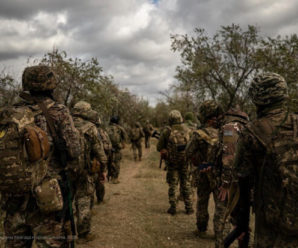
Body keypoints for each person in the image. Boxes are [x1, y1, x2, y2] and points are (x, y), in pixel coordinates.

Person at [0, 65, 80, 248]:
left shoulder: (9, 113)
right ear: (51, 84)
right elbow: (74, 150)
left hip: (14, 194)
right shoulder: (59, 111)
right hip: (47, 194)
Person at [232, 72, 298, 248]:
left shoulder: (252, 132)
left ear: (258, 98)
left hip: (271, 221)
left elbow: (243, 181)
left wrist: (241, 224)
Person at [186, 100, 225, 247]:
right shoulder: (225, 132)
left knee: (202, 201)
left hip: (202, 172)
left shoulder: (198, 134)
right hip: (219, 174)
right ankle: (219, 233)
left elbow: (188, 152)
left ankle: (201, 229)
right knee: (220, 204)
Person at [71, 101, 107, 242]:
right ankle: (83, 234)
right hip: (84, 171)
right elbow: (100, 152)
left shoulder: (62, 124)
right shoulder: (90, 127)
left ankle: (64, 232)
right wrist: (103, 170)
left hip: (64, 171)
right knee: (84, 201)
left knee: (64, 202)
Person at [157, 110, 194, 215]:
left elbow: (159, 147)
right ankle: (189, 207)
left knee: (173, 184)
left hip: (172, 163)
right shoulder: (188, 130)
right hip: (185, 162)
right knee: (186, 184)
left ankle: (173, 207)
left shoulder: (167, 131)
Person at [92, 113, 112, 204]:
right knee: (100, 179)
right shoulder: (102, 132)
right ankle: (100, 199)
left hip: (88, 161)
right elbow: (108, 146)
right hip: (98, 160)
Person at [107, 116, 127, 184]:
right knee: (117, 163)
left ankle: (110, 176)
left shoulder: (107, 128)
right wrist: (123, 144)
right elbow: (125, 137)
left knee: (110, 162)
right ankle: (115, 178)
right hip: (117, 148)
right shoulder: (120, 128)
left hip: (108, 148)